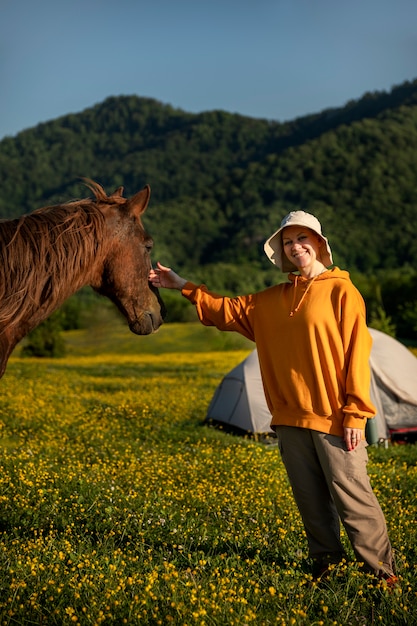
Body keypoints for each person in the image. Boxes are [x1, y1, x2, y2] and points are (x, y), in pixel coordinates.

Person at [149, 210, 397, 584]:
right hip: (288, 418)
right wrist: (180, 283)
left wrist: (356, 413)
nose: (295, 246)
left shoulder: (343, 291)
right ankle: (327, 567)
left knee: (354, 502)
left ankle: (383, 576)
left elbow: (356, 354)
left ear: (318, 244)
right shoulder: (270, 300)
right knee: (311, 504)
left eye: (302, 238)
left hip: (334, 419)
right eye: (287, 241)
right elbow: (224, 310)